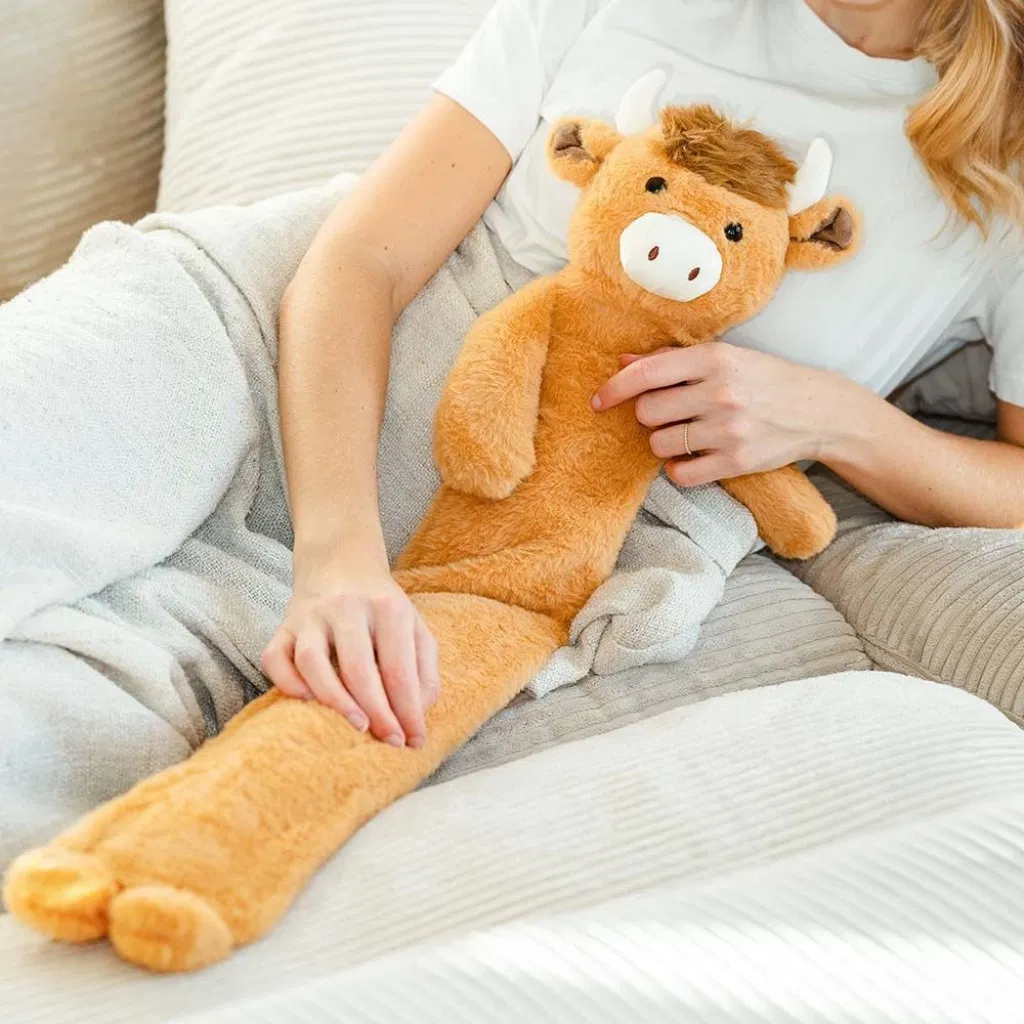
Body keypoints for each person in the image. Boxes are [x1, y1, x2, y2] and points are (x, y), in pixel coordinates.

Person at [1, 0, 1022, 868]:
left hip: (493, 553)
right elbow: (359, 262)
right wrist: (339, 553)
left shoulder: (1005, 160)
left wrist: (843, 421)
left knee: (43, 773)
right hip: (246, 348)